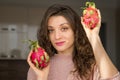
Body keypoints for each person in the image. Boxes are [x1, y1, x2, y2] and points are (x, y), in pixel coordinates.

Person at [27, 4, 120, 80]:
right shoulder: (38, 66)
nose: (57, 36)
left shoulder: (91, 63)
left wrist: (93, 36)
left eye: (64, 28)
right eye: (51, 30)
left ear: (75, 31)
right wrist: (42, 77)